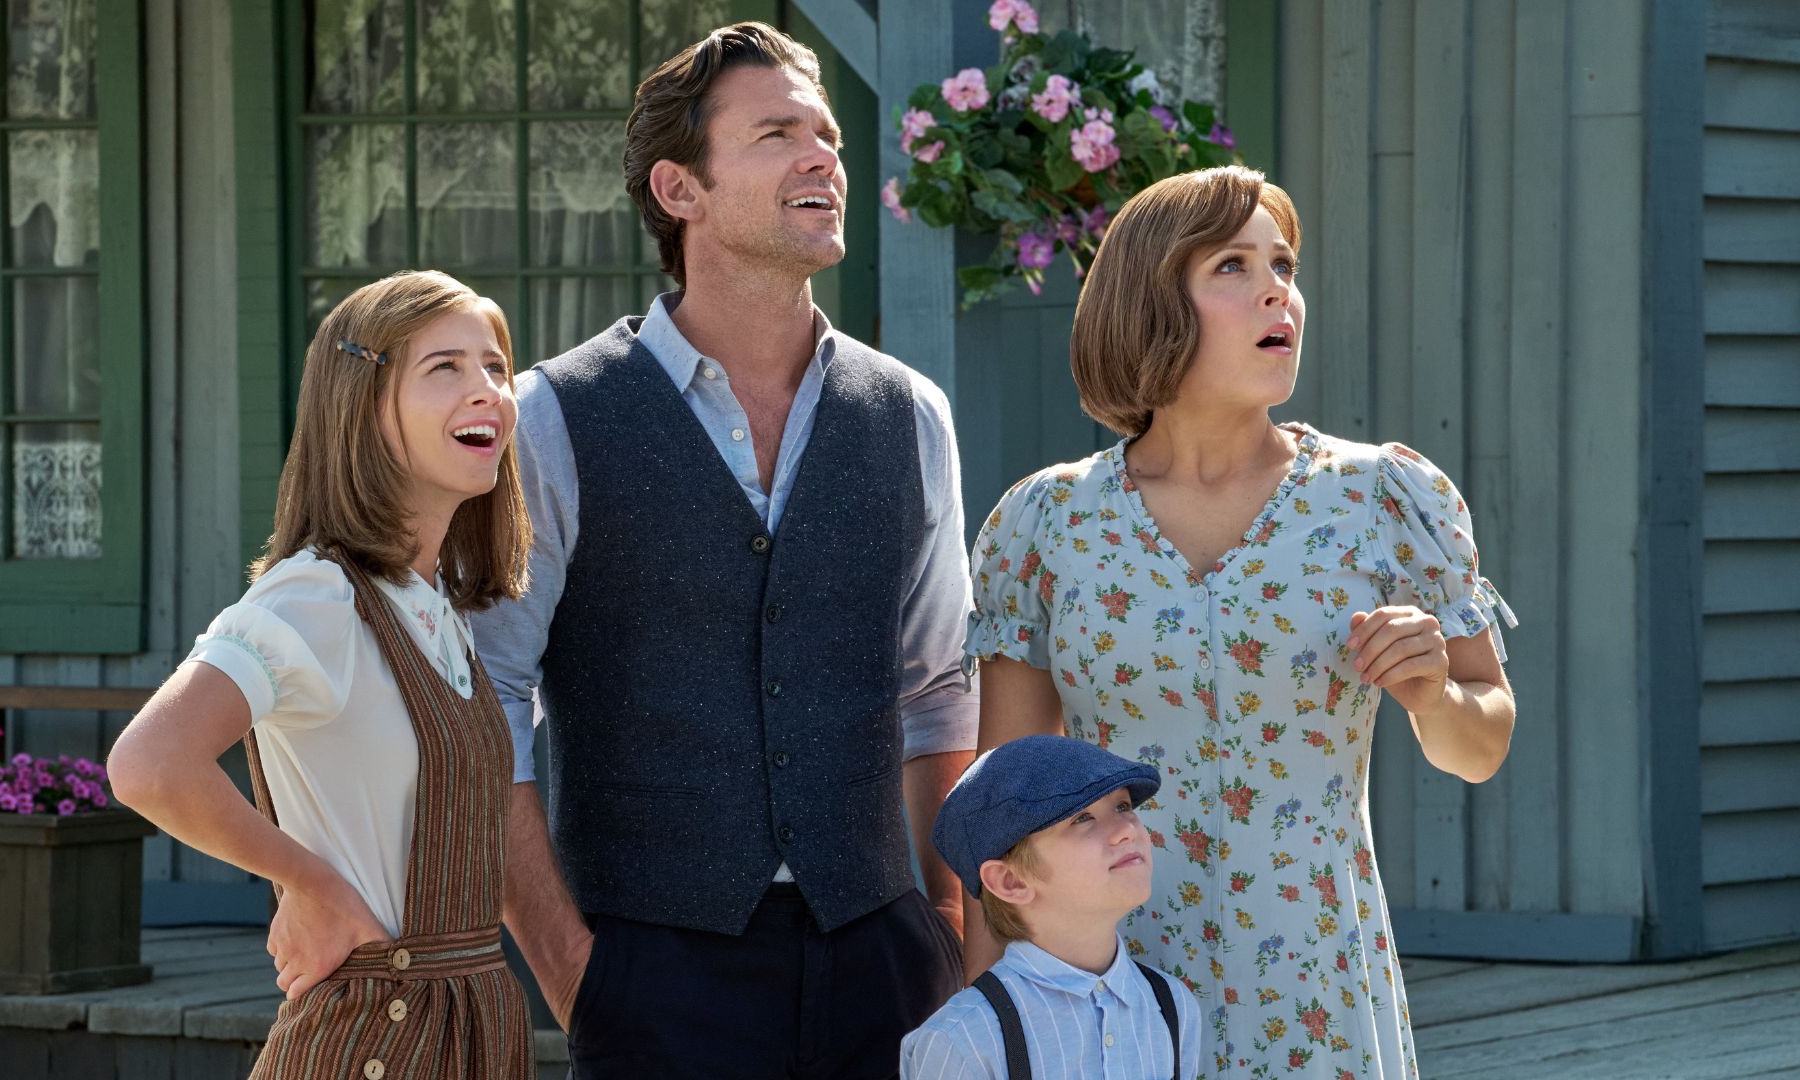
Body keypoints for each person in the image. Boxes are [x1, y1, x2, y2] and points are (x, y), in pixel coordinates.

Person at [470, 20, 976, 1080]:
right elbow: (488, 704)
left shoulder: (910, 415)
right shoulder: (552, 418)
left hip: (884, 958)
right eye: (776, 133)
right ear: (679, 189)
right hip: (651, 973)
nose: (823, 156)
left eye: (829, 134)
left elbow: (937, 694)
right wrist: (570, 968)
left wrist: (947, 924)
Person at [963, 165, 1517, 1079]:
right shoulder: (1043, 524)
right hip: (1110, 990)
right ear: (1150, 302)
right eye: (1231, 265)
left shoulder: (1386, 497)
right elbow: (1002, 810)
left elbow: (1482, 745)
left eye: (1284, 265)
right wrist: (991, 1021)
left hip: (1320, 990)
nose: (1277, 292)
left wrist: (1433, 695)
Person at [109, 271, 535, 1079]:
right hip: (378, 1035)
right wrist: (310, 887)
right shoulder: (318, 593)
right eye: (444, 367)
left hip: (472, 1028)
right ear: (363, 408)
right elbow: (148, 765)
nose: (486, 390)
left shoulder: (431, 604)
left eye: (495, 368)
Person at [903, 735, 1204, 1079]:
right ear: (1010, 882)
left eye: (1122, 806)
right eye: (1083, 818)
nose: (1126, 829)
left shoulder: (1172, 1005)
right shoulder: (965, 1039)